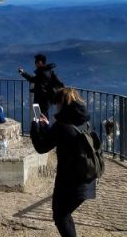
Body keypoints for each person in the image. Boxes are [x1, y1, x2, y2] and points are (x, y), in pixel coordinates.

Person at [30, 87, 96, 237]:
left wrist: (35, 126)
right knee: (64, 214)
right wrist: (48, 127)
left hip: (70, 182)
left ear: (62, 103)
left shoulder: (61, 126)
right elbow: (66, 139)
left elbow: (41, 147)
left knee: (61, 216)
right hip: (88, 177)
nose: (56, 107)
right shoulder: (83, 122)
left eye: (57, 104)